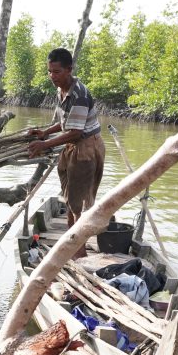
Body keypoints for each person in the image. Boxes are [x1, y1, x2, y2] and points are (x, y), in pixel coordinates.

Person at [27, 47, 106, 241]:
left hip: (86, 147)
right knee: (69, 194)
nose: (52, 76)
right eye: (50, 71)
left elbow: (76, 133)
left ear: (69, 70)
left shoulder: (79, 95)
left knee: (78, 200)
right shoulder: (61, 90)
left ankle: (78, 248)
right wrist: (45, 133)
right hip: (72, 145)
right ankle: (71, 234)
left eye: (57, 72)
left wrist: (44, 145)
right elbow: (65, 123)